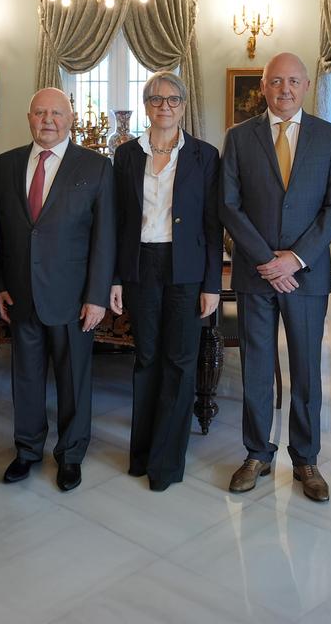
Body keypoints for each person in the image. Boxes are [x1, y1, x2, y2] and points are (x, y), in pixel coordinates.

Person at [220, 52, 331, 502]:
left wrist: (294, 259)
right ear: (264, 85)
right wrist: (265, 260)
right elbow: (229, 206)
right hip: (256, 276)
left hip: (306, 276)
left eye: (293, 81)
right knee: (256, 367)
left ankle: (306, 458)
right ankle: (257, 452)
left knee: (306, 370)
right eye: (277, 81)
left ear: (307, 85)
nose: (285, 89)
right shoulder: (238, 138)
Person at [0, 88, 116, 492]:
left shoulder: (96, 167)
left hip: (74, 298)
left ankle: (71, 454)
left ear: (71, 118)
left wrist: (97, 295)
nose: (48, 120)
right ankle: (27, 450)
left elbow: (105, 237)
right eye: (41, 113)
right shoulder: (5, 164)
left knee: (73, 381)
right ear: (29, 117)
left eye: (57, 113)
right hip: (21, 295)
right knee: (24, 379)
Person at [108, 71, 221, 491]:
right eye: (156, 99)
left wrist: (211, 283)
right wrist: (116, 277)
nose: (165, 107)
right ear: (146, 105)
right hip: (140, 266)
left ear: (183, 106)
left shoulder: (204, 156)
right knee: (146, 358)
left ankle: (167, 462)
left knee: (180, 361)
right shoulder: (125, 155)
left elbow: (213, 225)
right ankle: (141, 454)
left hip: (186, 269)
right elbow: (118, 222)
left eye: (173, 100)